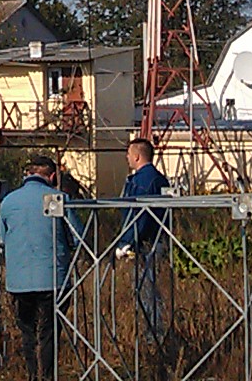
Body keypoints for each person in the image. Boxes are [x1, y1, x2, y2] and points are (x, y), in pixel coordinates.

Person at [0, 155, 83, 380]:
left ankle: (31, 374)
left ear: (27, 174)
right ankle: (47, 375)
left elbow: (3, 239)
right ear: (53, 176)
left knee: (28, 332)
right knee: (49, 332)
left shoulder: (8, 201)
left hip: (18, 281)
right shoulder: (57, 198)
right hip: (53, 278)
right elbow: (78, 237)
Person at [112, 138, 168, 346]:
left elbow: (138, 215)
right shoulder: (159, 179)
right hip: (156, 240)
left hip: (144, 244)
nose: (127, 158)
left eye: (129, 154)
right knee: (152, 290)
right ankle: (153, 334)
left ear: (137, 156)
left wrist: (127, 242)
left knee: (147, 292)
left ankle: (152, 337)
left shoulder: (141, 182)